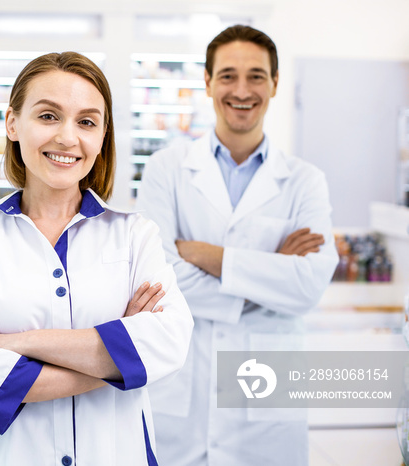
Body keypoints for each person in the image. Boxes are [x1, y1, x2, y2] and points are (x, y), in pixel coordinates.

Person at [0, 52, 194, 466]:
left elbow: (169, 342)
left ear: (102, 135)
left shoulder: (134, 235)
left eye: (86, 122)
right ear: (12, 124)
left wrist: (20, 344)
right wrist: (115, 359)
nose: (68, 138)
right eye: (49, 116)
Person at [137, 25, 340, 465]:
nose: (242, 90)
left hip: (268, 394)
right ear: (208, 83)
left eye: (256, 76)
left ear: (275, 84)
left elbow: (307, 285)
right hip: (182, 390)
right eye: (228, 75)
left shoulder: (304, 181)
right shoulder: (166, 169)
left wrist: (205, 255)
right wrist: (269, 272)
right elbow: (156, 280)